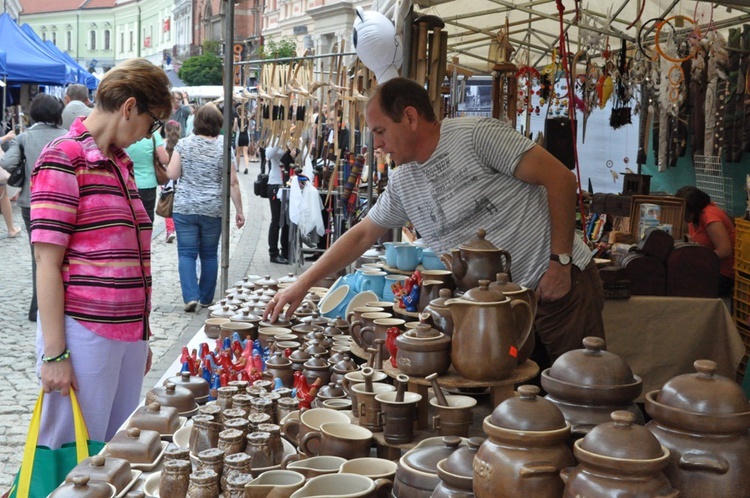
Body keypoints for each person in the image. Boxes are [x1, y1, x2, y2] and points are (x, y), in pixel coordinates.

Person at [265, 77, 604, 368]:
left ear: (410, 117)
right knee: (524, 411)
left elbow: (560, 179)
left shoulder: (477, 136)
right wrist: (303, 283)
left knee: (579, 394)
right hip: (496, 312)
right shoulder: (403, 182)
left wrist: (559, 262)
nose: (378, 144)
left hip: (558, 288)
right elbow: (362, 235)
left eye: (381, 131)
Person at [29, 58, 172, 448]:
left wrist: (139, 335)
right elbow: (46, 261)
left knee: (111, 452)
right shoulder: (64, 157)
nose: (149, 137)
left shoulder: (118, 163)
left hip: (125, 336)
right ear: (129, 107)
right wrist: (55, 354)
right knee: (74, 458)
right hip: (85, 333)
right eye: (152, 123)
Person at [166, 104, 245, 312]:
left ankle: (191, 296)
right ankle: (207, 297)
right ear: (218, 124)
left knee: (186, 253)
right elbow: (233, 182)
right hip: (213, 208)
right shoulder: (224, 147)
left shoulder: (183, 145)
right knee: (209, 254)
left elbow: (172, 175)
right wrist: (239, 210)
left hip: (185, 208)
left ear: (197, 122)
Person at [0, 94, 67, 321]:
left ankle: (38, 309)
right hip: (63, 202)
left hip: (32, 202)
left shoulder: (25, 137)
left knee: (37, 255)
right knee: (64, 253)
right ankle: (63, 305)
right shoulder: (68, 137)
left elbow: (7, 164)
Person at [675, 186, 736, 295]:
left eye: (685, 211)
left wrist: (698, 260)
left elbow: (725, 250)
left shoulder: (709, 216)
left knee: (679, 284)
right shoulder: (695, 217)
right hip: (712, 269)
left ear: (695, 209)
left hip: (724, 275)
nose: (682, 215)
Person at [125, 132, 169, 222]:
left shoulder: (125, 132)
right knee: (147, 217)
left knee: (129, 216)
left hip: (127, 183)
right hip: (147, 183)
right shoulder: (153, 134)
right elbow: (164, 159)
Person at [266, 142, 290, 264]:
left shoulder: (294, 137)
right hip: (275, 183)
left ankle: (286, 251)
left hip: (289, 183)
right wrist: (280, 139)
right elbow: (268, 154)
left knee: (287, 221)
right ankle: (273, 253)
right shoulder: (274, 139)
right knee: (276, 220)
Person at [162, 120, 181, 242]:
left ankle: (170, 230)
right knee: (178, 206)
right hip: (179, 179)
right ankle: (180, 229)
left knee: (167, 204)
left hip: (165, 179)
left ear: (165, 130)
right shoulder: (181, 144)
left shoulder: (162, 144)